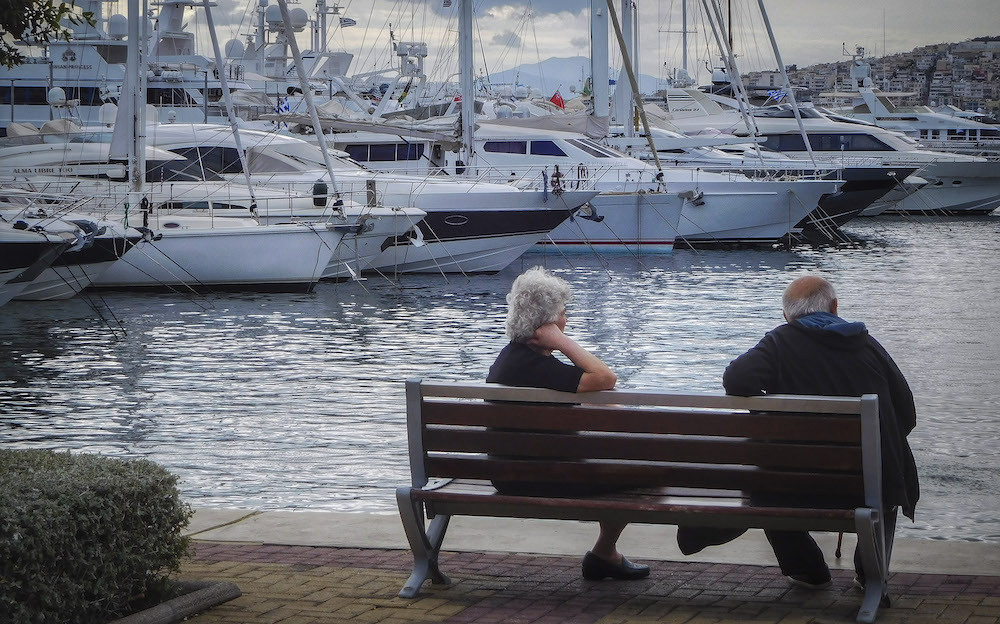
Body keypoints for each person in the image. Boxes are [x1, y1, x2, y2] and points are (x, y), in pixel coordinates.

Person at [677, 275, 919, 590]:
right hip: (869, 488)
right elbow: (906, 413)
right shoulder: (867, 345)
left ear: (786, 315)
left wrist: (771, 414)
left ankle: (807, 568)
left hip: (791, 487)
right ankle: (869, 574)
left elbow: (736, 379)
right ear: (834, 307)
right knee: (889, 471)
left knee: (771, 473)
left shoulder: (780, 342)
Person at [486, 266, 650, 581]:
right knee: (646, 470)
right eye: (562, 314)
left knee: (624, 457)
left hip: (507, 475)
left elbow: (589, 395)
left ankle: (606, 553)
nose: (566, 320)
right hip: (543, 478)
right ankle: (605, 552)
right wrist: (563, 342)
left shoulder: (511, 360)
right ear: (547, 324)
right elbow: (606, 378)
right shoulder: (538, 366)